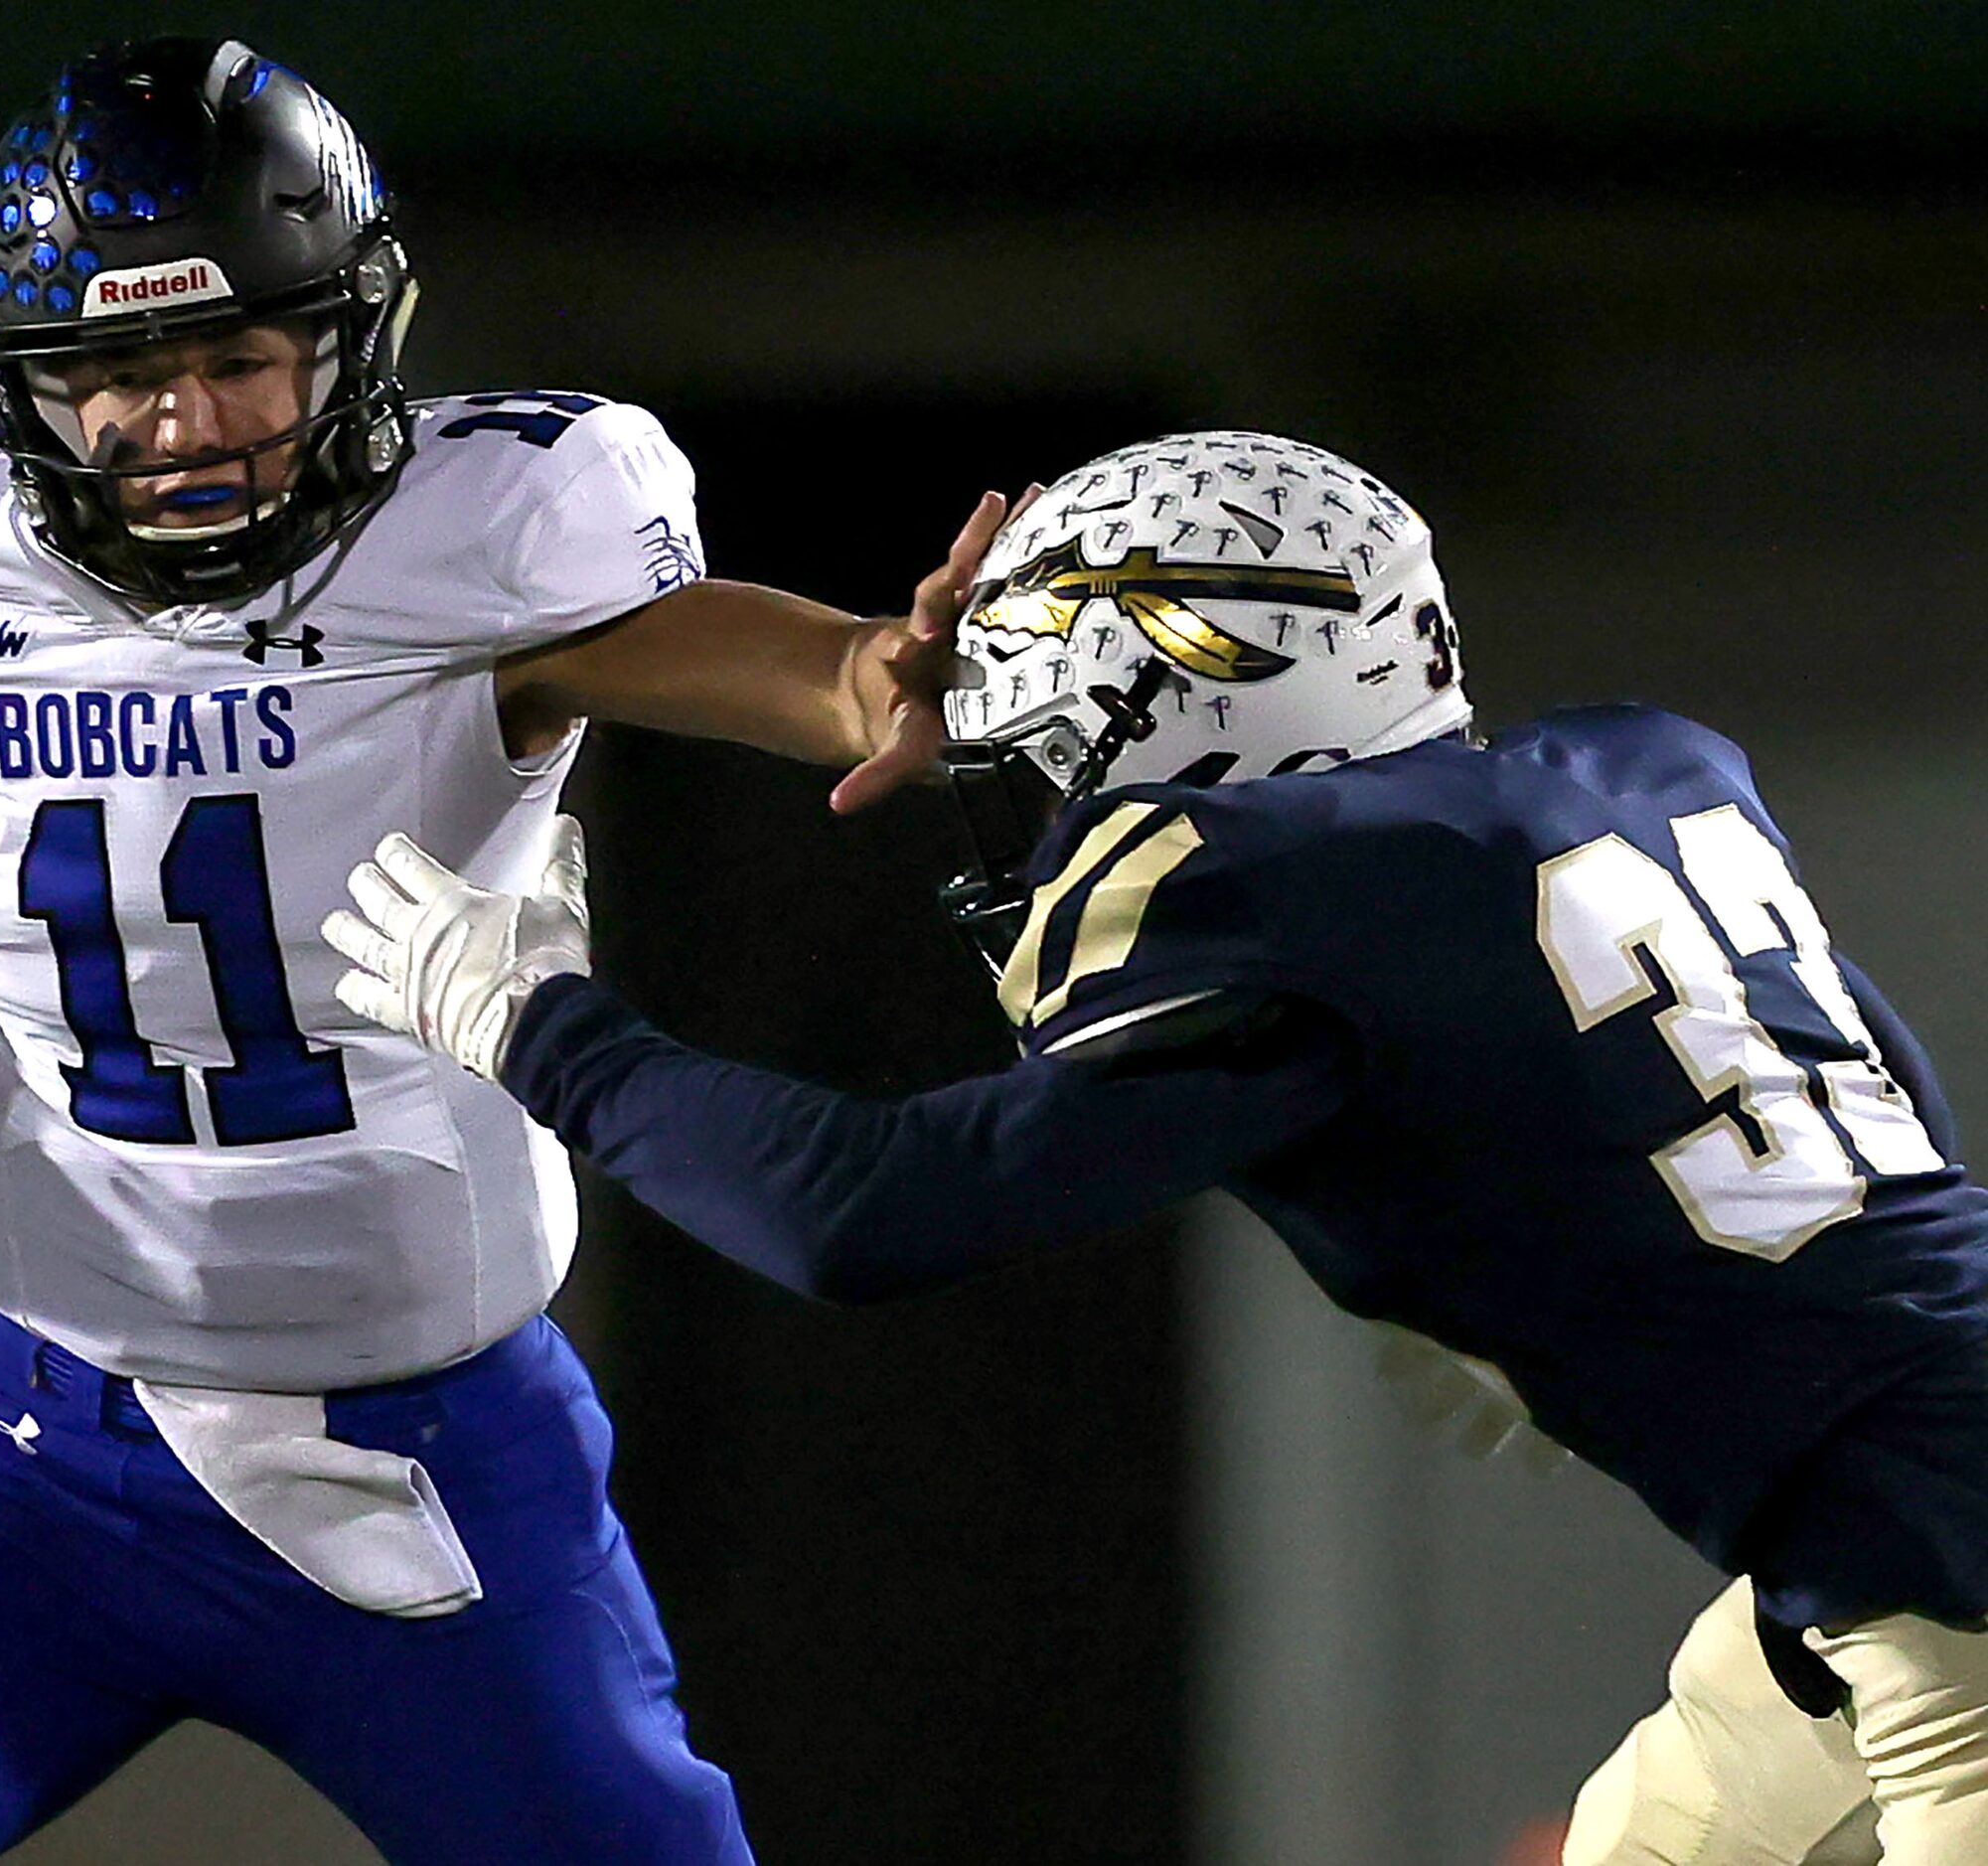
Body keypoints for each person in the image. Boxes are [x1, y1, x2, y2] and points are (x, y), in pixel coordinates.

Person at [0, 36, 998, 1864]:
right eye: (124, 373)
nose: (195, 420)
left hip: (432, 1462)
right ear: (26, 389)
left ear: (343, 337)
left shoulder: (480, 540)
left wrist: (871, 673)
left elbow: (735, 649)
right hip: (34, 1442)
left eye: (240, 353)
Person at [325, 429, 1988, 1863]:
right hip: (1859, 1577)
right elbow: (1877, 1111)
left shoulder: (1282, 897)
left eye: (1041, 764)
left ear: (1183, 709)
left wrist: (536, 1023)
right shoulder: (1635, 770)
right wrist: (1623, 1257)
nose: (1034, 818)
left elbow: (866, 1212)